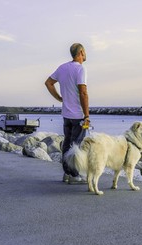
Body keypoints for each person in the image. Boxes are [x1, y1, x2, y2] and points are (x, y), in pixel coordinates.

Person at [45, 43, 90, 184]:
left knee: (67, 143)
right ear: (81, 52)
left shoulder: (63, 67)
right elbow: (83, 92)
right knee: (76, 146)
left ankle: (66, 173)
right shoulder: (80, 69)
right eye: (85, 51)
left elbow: (48, 83)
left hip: (66, 115)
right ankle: (75, 175)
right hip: (78, 116)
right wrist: (87, 115)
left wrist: (59, 98)